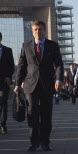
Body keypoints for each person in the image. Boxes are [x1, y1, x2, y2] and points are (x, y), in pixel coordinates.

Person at [14, 21, 64, 151]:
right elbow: (21, 66)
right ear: (32, 31)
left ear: (44, 31)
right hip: (30, 85)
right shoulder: (26, 46)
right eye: (35, 29)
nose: (37, 32)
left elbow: (58, 64)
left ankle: (45, 142)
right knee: (32, 112)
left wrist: (59, 80)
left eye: (40, 29)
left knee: (46, 114)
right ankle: (34, 142)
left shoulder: (53, 45)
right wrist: (17, 84)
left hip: (47, 84)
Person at [0, 32, 15, 134]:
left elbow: (11, 66)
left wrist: (8, 76)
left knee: (3, 103)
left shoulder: (7, 50)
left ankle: (3, 124)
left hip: (4, 82)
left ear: (0, 38)